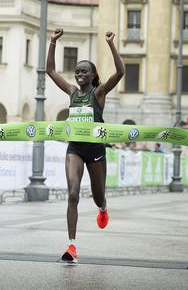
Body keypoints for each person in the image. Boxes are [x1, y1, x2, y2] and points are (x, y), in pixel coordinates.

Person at [46, 29, 124, 264]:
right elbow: (50, 70)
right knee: (72, 194)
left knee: (98, 195)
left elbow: (120, 72)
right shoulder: (71, 92)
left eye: (84, 71)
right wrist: (52, 42)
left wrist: (111, 44)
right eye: (77, 71)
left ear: (92, 75)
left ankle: (103, 208)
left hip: (96, 152)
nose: (79, 74)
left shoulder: (99, 93)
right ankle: (72, 246)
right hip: (76, 149)